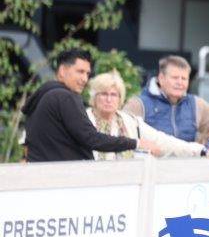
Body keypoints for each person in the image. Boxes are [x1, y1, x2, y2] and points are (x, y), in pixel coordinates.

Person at [21, 48, 157, 162]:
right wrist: (135, 143)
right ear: (62, 71)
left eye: (87, 74)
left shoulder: (43, 96)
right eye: (80, 72)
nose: (85, 79)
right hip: (63, 178)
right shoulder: (65, 97)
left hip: (43, 174)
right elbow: (92, 139)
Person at [86, 71, 209, 162]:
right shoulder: (83, 119)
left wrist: (202, 151)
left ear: (120, 98)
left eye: (114, 95)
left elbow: (164, 142)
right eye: (104, 94)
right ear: (94, 97)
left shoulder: (130, 122)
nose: (109, 99)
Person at [123, 55, 209, 144]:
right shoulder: (138, 104)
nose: (180, 82)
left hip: (187, 168)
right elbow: (121, 132)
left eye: (184, 78)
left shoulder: (196, 105)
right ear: (161, 78)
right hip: (150, 169)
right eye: (175, 77)